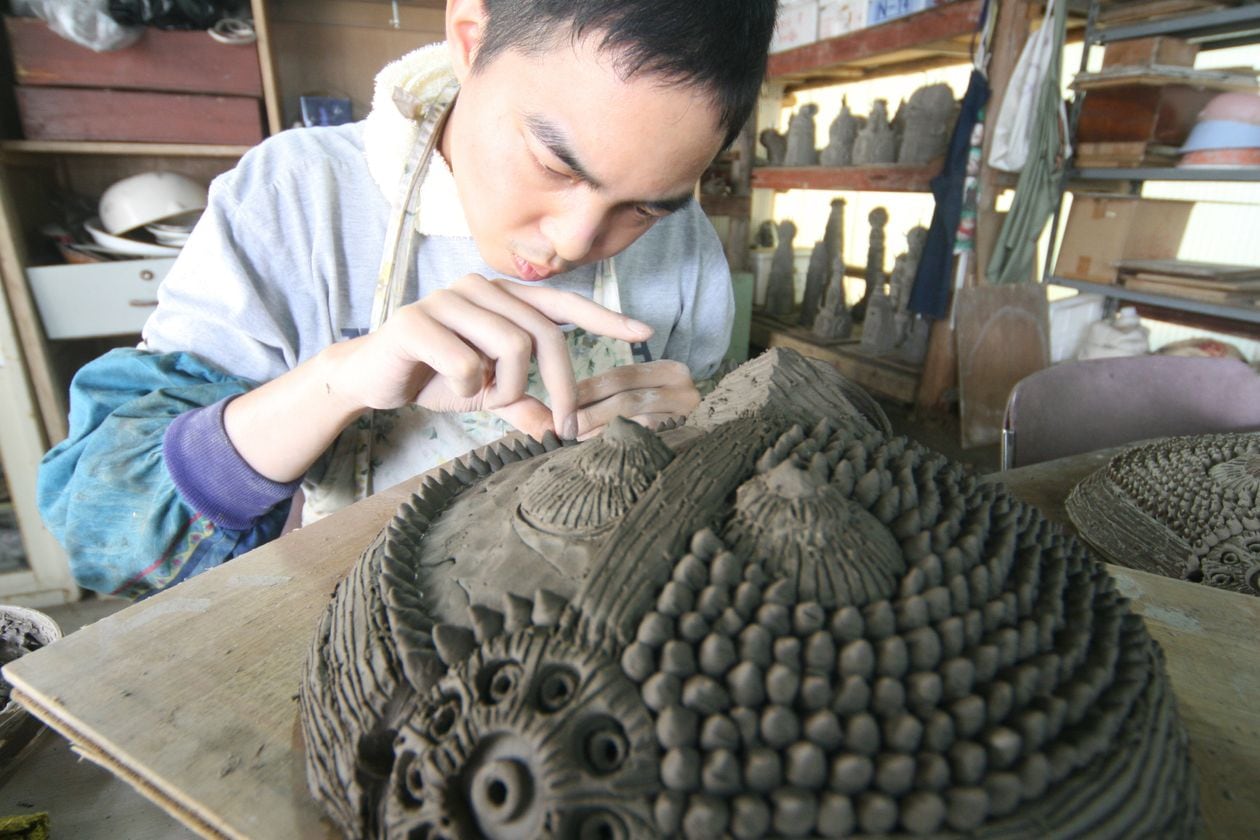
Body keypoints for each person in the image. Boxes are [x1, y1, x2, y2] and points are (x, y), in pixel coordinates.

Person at [36, 0, 777, 598]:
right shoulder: (296, 200)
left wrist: (697, 449)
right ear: (470, 35)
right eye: (554, 164)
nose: (576, 242)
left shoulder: (686, 248)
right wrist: (337, 383)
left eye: (643, 206)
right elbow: (100, 525)